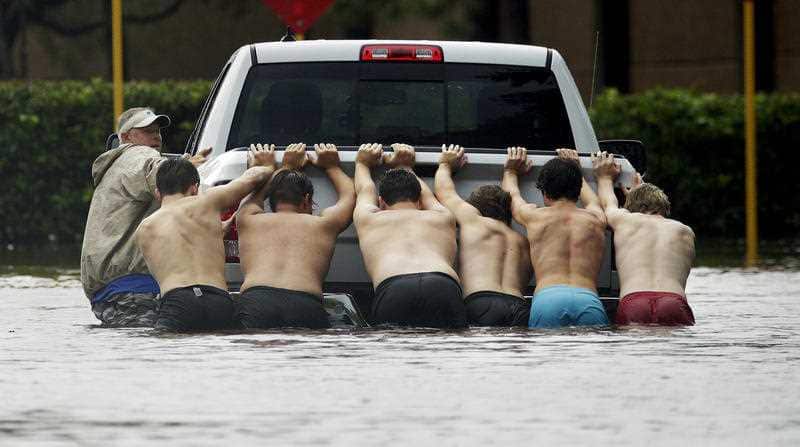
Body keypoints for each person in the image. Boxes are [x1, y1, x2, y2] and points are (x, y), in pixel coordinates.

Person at [80, 107, 211, 327]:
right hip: (134, 289)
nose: (156, 136)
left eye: (158, 131)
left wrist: (183, 164)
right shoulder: (137, 154)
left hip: (110, 292)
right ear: (126, 137)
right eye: (147, 130)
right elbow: (154, 170)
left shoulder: (117, 166)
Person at [135, 144, 277, 331]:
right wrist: (267, 165)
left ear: (157, 194)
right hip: (217, 300)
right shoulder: (207, 201)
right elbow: (252, 178)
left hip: (177, 303)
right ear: (194, 188)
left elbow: (176, 250)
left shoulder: (144, 229)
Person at [234, 143, 355, 329]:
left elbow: (254, 195)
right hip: (304, 303)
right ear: (306, 200)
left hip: (257, 302)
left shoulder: (247, 218)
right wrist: (332, 166)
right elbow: (349, 195)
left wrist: (283, 167)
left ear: (271, 200)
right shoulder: (324, 224)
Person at [353, 143, 467, 328]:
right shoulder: (443, 217)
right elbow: (428, 196)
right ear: (420, 201)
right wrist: (405, 166)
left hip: (395, 287)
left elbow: (365, 189)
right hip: (443, 285)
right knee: (449, 352)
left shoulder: (369, 218)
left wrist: (362, 163)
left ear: (381, 202)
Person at [502, 147, 609, 328]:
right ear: (578, 189)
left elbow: (512, 196)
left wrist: (510, 171)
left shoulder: (534, 216)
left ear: (544, 192)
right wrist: (576, 169)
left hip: (548, 300)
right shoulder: (596, 219)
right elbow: (593, 201)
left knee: (547, 356)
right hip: (588, 300)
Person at [592, 151, 696, 325]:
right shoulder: (685, 231)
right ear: (665, 207)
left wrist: (604, 177)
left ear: (630, 207)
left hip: (635, 301)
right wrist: (639, 193)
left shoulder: (625, 221)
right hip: (673, 302)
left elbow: (608, 202)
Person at [434, 144, 533, 326]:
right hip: (519, 305)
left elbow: (445, 193)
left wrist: (445, 164)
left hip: (482, 301)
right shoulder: (524, 242)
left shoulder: (475, 222)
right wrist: (510, 172)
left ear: (476, 208)